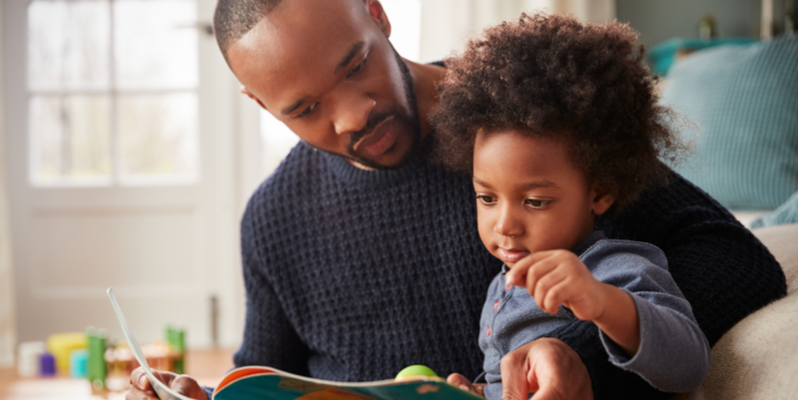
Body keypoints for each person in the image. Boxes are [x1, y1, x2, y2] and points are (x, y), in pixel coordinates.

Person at [125, 1, 787, 400]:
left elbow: (736, 261)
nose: (354, 114)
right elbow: (269, 374)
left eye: (355, 64)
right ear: (261, 105)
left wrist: (577, 355)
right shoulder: (272, 220)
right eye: (304, 109)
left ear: (377, 12)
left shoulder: (522, 127)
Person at [430, 14, 710, 399]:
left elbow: (689, 363)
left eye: (535, 201)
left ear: (600, 192)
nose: (506, 224)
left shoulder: (611, 267)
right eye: (487, 198)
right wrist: (477, 392)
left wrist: (601, 301)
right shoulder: (503, 285)